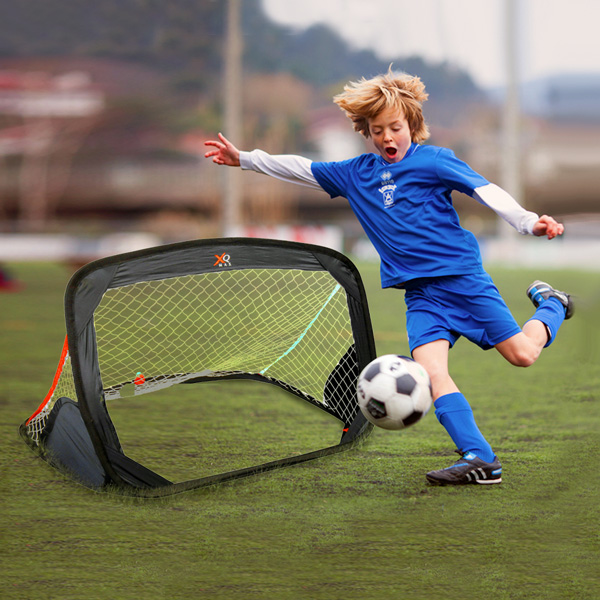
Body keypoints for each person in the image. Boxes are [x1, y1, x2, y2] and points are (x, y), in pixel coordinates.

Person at [204, 68, 573, 486]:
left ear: (412, 126)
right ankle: (481, 459)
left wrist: (528, 223)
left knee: (523, 354)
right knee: (431, 373)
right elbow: (302, 168)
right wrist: (246, 159)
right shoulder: (355, 173)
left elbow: (485, 190)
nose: (387, 137)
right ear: (367, 132)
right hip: (420, 296)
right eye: (377, 130)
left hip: (462, 280)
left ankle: (552, 304)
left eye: (395, 127)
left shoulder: (435, 161)